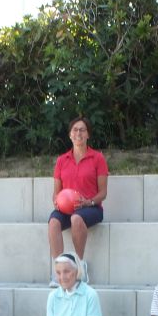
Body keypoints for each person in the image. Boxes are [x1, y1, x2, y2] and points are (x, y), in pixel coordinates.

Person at [48, 116, 109, 287]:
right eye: (75, 130)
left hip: (91, 207)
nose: (78, 133)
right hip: (66, 207)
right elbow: (56, 191)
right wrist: (56, 200)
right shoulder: (62, 160)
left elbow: (103, 193)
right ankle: (58, 270)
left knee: (76, 218)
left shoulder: (97, 158)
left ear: (88, 134)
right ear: (70, 135)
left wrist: (88, 202)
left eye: (82, 130)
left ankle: (79, 267)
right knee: (53, 222)